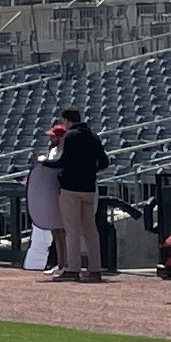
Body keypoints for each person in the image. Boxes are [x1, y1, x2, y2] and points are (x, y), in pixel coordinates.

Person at [53, 109, 111, 280]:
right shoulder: (93, 136)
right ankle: (95, 269)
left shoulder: (69, 136)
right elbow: (104, 161)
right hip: (88, 188)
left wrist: (49, 166)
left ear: (67, 120)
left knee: (72, 230)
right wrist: (91, 171)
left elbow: (64, 161)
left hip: (70, 188)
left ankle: (73, 268)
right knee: (90, 230)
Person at [21, 119, 61, 275]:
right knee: (41, 237)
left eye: (54, 136)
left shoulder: (61, 153)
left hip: (57, 197)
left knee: (56, 236)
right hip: (46, 197)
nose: (50, 139)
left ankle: (63, 265)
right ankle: (35, 266)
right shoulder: (52, 152)